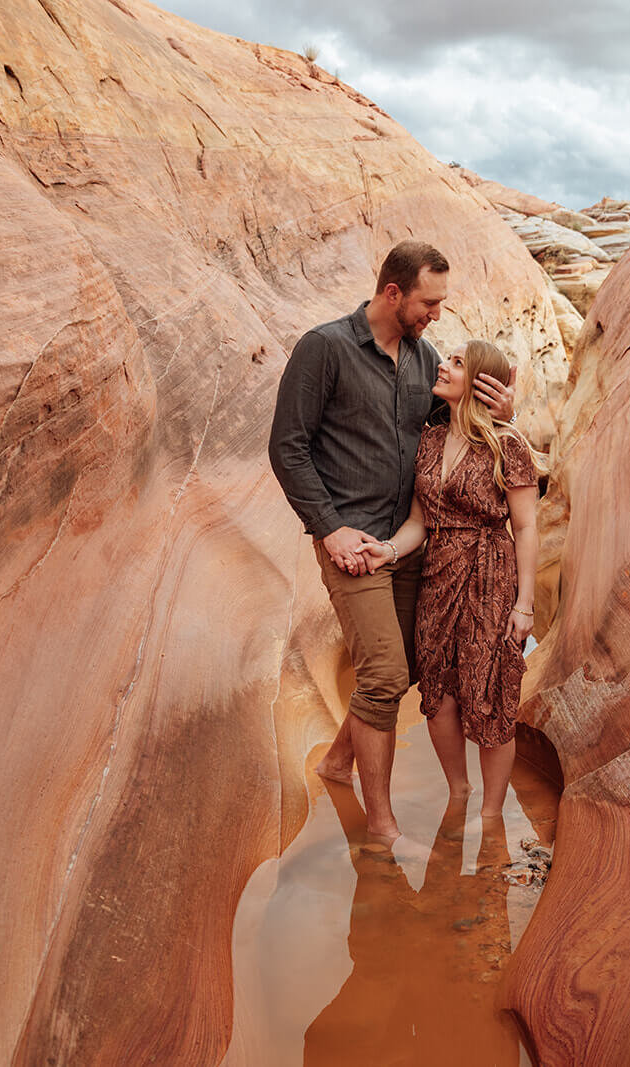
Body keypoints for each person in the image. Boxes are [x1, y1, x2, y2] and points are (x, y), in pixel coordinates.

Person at [267, 241, 514, 847]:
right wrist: (329, 527)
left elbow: (460, 432)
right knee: (381, 673)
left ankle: (335, 765)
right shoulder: (324, 348)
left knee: (400, 673)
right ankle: (380, 827)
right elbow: (287, 446)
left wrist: (506, 412)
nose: (437, 314)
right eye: (430, 302)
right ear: (394, 292)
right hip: (351, 544)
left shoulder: (426, 360)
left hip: (409, 546)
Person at [359, 340, 539, 820]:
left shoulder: (508, 444)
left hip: (491, 575)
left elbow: (525, 526)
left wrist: (525, 604)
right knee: (437, 690)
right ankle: (459, 794)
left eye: (457, 363)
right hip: (438, 574)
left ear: (480, 380)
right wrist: (388, 550)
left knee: (491, 690)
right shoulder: (431, 441)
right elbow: (420, 520)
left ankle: (492, 813)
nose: (443, 365)